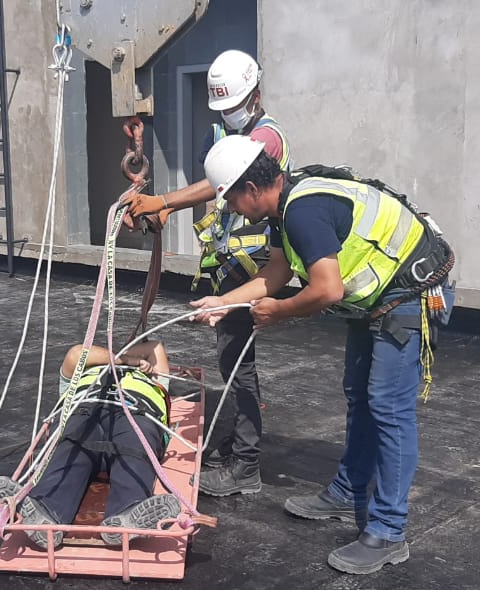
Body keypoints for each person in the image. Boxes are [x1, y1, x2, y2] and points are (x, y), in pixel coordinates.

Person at [192, 136, 455, 574]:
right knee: (359, 394)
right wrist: (223, 303)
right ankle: (348, 492)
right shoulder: (284, 206)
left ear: (252, 189)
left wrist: (279, 313)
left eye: (232, 201)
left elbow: (327, 289)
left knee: (388, 407)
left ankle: (389, 532)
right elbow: (276, 272)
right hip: (377, 299)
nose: (233, 210)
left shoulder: (303, 212)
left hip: (409, 292)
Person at [121, 49, 294, 497]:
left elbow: (225, 183)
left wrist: (163, 201)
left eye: (235, 105)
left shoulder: (267, 140)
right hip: (225, 265)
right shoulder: (217, 130)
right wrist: (161, 214)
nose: (229, 114)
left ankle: (246, 465)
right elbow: (211, 189)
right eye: (223, 107)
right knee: (230, 361)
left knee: (240, 367)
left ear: (256, 94)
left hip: (257, 267)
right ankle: (239, 447)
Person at [0, 341, 182, 550]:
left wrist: (135, 363)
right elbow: (76, 353)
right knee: (70, 449)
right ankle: (45, 510)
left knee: (134, 450)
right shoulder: (80, 373)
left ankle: (129, 512)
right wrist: (123, 360)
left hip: (135, 414)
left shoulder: (154, 378)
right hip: (85, 411)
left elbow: (155, 347)